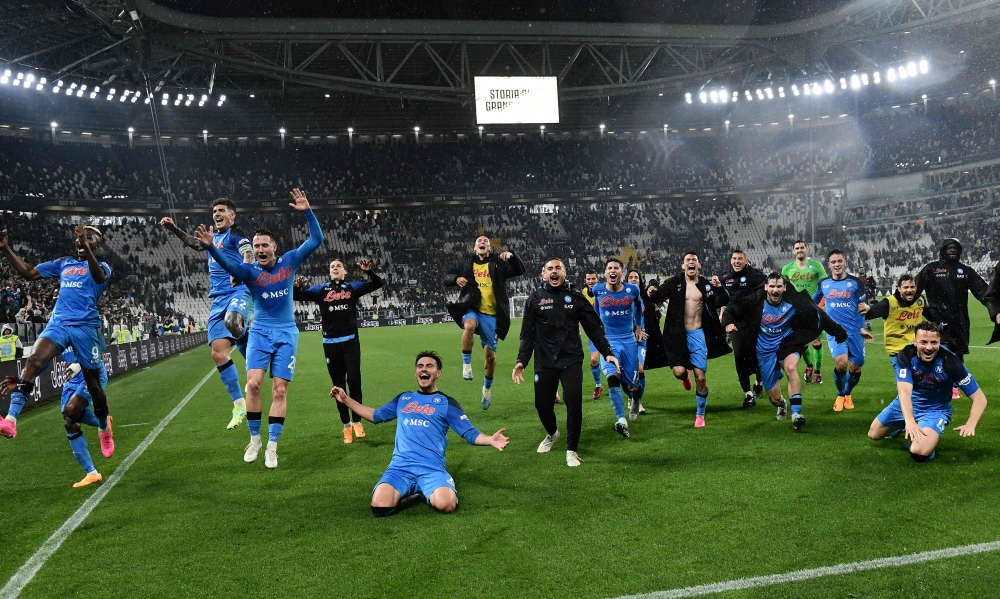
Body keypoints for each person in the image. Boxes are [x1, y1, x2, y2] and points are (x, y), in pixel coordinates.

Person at [196, 188, 323, 469]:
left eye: (265, 245)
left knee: (279, 391)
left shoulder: (290, 261)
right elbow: (228, 264)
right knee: (253, 384)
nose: (260, 250)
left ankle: (272, 446)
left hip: (286, 333)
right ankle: (255, 439)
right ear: (252, 250)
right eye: (256, 246)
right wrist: (211, 247)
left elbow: (316, 239)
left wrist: (307, 212)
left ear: (274, 247)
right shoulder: (249, 272)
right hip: (260, 332)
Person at [330, 351, 509, 515]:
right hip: (400, 467)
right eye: (420, 366)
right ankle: (414, 497)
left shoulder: (447, 403)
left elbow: (469, 433)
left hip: (431, 468)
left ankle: (430, 490)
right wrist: (345, 399)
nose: (424, 369)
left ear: (438, 373)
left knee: (447, 505)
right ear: (416, 372)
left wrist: (490, 440)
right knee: (379, 506)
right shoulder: (404, 399)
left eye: (429, 366)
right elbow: (375, 416)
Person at [0, 225, 114, 456]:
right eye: (81, 237)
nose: (82, 240)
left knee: (94, 387)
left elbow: (98, 277)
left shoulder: (103, 266)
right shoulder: (64, 263)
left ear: (97, 245)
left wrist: (85, 245)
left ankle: (104, 427)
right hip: (59, 323)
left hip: (86, 328)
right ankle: (11, 420)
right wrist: (5, 249)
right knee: (34, 359)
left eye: (89, 238)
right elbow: (29, 273)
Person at [513, 258, 618, 467]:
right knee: (542, 405)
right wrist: (521, 361)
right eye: (550, 269)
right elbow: (527, 334)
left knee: (573, 403)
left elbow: (594, 328)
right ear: (544, 274)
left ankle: (572, 450)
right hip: (544, 361)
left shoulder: (576, 297)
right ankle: (553, 433)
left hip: (571, 359)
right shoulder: (535, 298)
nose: (554, 272)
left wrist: (607, 352)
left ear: (564, 273)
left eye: (558, 268)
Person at [161, 199, 255, 430]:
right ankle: (239, 404)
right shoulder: (213, 238)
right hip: (218, 298)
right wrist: (173, 229)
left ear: (232, 215)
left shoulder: (236, 234)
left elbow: (249, 253)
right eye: (214, 211)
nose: (217, 214)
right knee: (218, 353)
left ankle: (253, 362)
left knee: (233, 322)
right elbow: (195, 243)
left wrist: (242, 272)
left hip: (238, 289)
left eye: (222, 210)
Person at [722, 272, 847, 432]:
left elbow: (819, 314)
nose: (775, 290)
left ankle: (796, 415)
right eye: (772, 286)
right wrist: (728, 322)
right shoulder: (755, 300)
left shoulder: (794, 301)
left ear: (785, 287)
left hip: (787, 344)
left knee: (791, 368)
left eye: (779, 286)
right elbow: (733, 309)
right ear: (766, 287)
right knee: (774, 398)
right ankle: (782, 404)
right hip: (764, 351)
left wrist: (838, 332)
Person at [293, 258, 383, 445]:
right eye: (332, 267)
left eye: (338, 266)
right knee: (338, 386)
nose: (335, 268)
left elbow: (378, 283)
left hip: (351, 342)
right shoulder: (321, 290)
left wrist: (368, 271)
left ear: (345, 271)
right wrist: (297, 287)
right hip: (330, 344)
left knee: (355, 382)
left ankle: (357, 422)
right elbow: (297, 297)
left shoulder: (352, 288)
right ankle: (346, 426)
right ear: (329, 271)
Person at [868, 322, 987, 462]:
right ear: (915, 341)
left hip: (935, 410)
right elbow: (904, 392)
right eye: (923, 342)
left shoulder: (950, 362)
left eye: (934, 342)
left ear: (939, 342)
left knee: (919, 452)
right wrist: (909, 421)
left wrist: (971, 424)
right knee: (874, 434)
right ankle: (905, 426)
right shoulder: (907, 354)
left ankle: (924, 441)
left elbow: (979, 398)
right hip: (907, 403)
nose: (929, 347)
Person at [647, 252, 730, 428]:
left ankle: (700, 414)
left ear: (698, 265)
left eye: (694, 260)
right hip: (677, 335)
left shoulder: (705, 284)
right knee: (678, 372)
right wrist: (652, 290)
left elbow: (722, 300)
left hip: (697, 334)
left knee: (701, 378)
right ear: (683, 265)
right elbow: (659, 295)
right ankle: (685, 376)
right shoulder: (674, 282)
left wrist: (719, 288)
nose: (691, 262)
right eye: (688, 260)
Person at [443, 235, 525, 410]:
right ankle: (466, 364)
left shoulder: (498, 263)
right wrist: (455, 279)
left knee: (490, 358)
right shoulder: (466, 263)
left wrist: (512, 255)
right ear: (474, 248)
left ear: (490, 248)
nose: (482, 242)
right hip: (472, 307)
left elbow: (519, 270)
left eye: (485, 241)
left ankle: (487, 389)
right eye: (479, 241)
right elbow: (446, 277)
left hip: (492, 314)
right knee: (469, 325)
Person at [812, 250, 874, 412]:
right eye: (833, 262)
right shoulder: (824, 283)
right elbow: (813, 302)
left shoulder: (856, 283)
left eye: (839, 261)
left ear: (845, 262)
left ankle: (847, 393)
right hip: (835, 331)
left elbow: (861, 307)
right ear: (829, 265)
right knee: (841, 365)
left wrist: (862, 327)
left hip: (854, 331)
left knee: (856, 368)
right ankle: (840, 395)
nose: (837, 264)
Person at [591, 259, 643, 436]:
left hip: (628, 340)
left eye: (616, 268)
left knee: (634, 386)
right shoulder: (597, 290)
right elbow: (595, 312)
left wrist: (638, 326)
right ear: (605, 272)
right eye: (609, 268)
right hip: (608, 342)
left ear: (622, 272)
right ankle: (621, 419)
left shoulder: (633, 290)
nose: (612, 271)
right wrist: (597, 332)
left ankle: (635, 401)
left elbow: (638, 306)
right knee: (613, 378)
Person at [721, 249, 767, 407]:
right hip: (735, 323)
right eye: (734, 258)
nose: (737, 261)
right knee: (739, 354)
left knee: (755, 354)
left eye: (740, 258)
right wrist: (723, 314)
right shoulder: (726, 278)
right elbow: (723, 299)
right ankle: (748, 394)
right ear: (730, 261)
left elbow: (766, 288)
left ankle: (759, 381)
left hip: (755, 322)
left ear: (746, 261)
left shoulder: (756, 275)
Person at [58, 347, 109, 487]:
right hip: (72, 379)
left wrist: (78, 365)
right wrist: (24, 381)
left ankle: (103, 425)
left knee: (71, 411)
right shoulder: (54, 333)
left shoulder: (84, 330)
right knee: (69, 421)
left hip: (91, 374)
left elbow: (96, 347)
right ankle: (92, 473)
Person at [859, 274, 929, 371]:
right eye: (906, 287)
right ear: (899, 288)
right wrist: (866, 313)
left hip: (916, 347)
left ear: (916, 288)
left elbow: (931, 315)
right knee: (907, 378)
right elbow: (866, 314)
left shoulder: (920, 300)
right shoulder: (889, 303)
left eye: (912, 287)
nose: (909, 290)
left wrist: (941, 323)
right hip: (898, 350)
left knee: (920, 377)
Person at [782, 240, 828, 384]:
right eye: (797, 248)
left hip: (814, 308)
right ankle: (809, 366)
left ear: (806, 249)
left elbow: (825, 285)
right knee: (802, 342)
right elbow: (784, 289)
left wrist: (821, 304)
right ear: (793, 251)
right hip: (796, 310)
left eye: (802, 247)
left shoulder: (816, 265)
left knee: (817, 340)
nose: (800, 250)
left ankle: (818, 372)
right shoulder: (787, 269)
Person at [626, 269, 650, 416]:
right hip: (626, 339)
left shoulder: (643, 297)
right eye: (631, 277)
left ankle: (638, 401)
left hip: (641, 340)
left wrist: (642, 330)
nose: (634, 279)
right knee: (626, 373)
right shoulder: (622, 297)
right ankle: (630, 397)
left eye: (636, 277)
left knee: (640, 369)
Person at [581, 269, 604, 399]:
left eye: (593, 279)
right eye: (588, 279)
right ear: (585, 280)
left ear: (597, 279)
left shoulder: (604, 290)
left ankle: (619, 383)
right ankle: (598, 385)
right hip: (594, 332)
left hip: (610, 331)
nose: (591, 281)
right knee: (594, 360)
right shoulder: (583, 293)